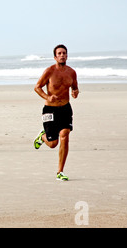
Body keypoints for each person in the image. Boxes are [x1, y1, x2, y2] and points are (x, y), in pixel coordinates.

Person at [33, 44, 79, 181]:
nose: (62, 55)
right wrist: (48, 97)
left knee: (65, 134)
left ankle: (60, 171)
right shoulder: (49, 71)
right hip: (50, 109)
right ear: (55, 57)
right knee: (53, 144)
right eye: (59, 53)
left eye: (64, 53)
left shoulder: (72, 72)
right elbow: (37, 87)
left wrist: (75, 92)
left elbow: (75, 88)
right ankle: (43, 137)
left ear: (67, 55)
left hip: (65, 108)